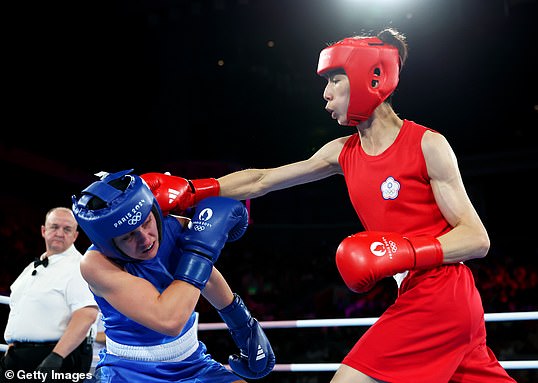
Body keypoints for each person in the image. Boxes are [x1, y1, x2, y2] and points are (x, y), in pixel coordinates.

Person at [141, 27, 518, 382]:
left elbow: (476, 238)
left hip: (442, 292)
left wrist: (402, 251)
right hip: (427, 295)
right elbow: (262, 179)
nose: (325, 94)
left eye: (334, 81)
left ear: (369, 78)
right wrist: (194, 190)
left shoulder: (427, 144)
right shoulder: (342, 153)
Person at [71, 169, 274, 383]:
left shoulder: (172, 227)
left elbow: (208, 278)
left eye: (147, 222)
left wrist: (245, 327)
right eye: (129, 235)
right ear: (108, 244)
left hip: (193, 362)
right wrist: (201, 250)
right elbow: (169, 319)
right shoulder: (95, 264)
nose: (145, 238)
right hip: (129, 371)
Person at [1, 207, 99, 383]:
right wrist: (12, 346)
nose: (60, 233)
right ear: (43, 231)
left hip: (59, 356)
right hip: (18, 357)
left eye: (67, 229)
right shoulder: (30, 268)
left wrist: (56, 357)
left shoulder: (79, 267)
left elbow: (86, 315)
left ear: (75, 235)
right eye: (54, 227)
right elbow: (19, 311)